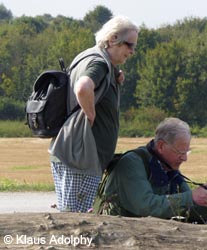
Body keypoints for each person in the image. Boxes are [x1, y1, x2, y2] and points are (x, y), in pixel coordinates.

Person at [48, 15, 140, 212]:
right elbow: (83, 87)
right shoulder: (99, 63)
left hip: (73, 152)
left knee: (70, 217)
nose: (132, 52)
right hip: (82, 157)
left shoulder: (90, 56)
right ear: (113, 39)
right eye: (129, 45)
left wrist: (115, 74)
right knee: (77, 222)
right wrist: (90, 114)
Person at [101, 117, 207, 224]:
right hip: (114, 231)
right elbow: (146, 207)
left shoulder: (169, 169)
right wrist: (191, 197)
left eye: (187, 151)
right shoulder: (132, 163)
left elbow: (186, 208)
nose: (185, 158)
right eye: (181, 152)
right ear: (161, 146)